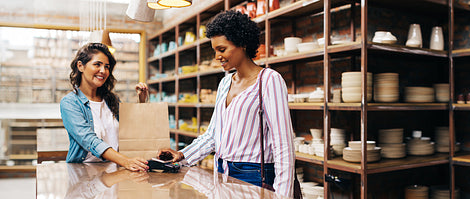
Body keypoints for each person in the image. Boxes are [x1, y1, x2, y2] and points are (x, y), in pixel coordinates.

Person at [157, 10, 295, 197]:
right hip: (220, 172)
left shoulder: (269, 81)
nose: (217, 56)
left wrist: (283, 196)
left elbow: (283, 146)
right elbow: (213, 135)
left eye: (222, 49)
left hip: (254, 176)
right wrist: (182, 155)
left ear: (243, 44)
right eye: (214, 50)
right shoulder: (225, 83)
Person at [60, 43, 150, 172]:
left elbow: (130, 130)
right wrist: (125, 161)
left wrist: (141, 101)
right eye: (97, 64)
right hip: (84, 173)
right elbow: (89, 140)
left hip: (115, 170)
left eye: (107, 67)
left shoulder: (111, 100)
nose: (103, 71)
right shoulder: (70, 103)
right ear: (80, 66)